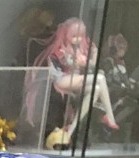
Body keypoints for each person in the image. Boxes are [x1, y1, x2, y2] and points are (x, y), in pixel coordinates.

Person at [24, 17, 118, 146]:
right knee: (100, 78)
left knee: (95, 89)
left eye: (80, 36)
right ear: (66, 35)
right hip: (62, 79)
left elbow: (91, 65)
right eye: (74, 36)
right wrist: (78, 62)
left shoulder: (79, 50)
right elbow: (68, 63)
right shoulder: (61, 50)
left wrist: (94, 54)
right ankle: (110, 116)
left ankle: (71, 130)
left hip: (75, 80)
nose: (78, 39)